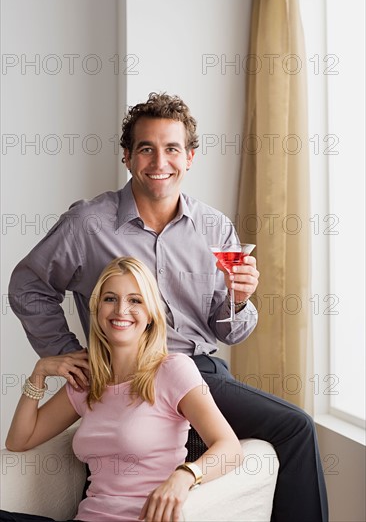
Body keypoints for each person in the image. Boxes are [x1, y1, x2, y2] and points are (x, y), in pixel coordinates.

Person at [9, 92, 328, 522]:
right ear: (127, 156)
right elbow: (28, 285)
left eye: (172, 148)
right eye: (146, 148)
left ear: (190, 156)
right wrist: (70, 356)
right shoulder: (87, 225)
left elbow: (230, 330)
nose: (160, 161)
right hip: (119, 371)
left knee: (296, 427)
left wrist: (238, 300)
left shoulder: (214, 227)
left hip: (194, 370)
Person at [2, 257, 243, 522]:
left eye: (135, 300)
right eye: (110, 299)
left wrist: (185, 476)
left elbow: (230, 448)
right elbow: (19, 441)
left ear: (150, 313)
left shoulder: (173, 370)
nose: (121, 310)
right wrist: (39, 374)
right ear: (97, 309)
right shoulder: (89, 379)